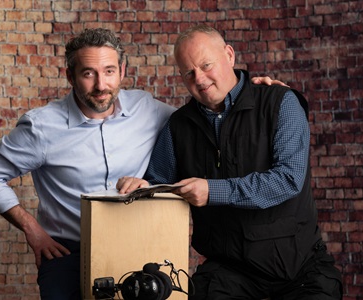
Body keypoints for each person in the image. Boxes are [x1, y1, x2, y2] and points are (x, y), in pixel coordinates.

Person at [0, 27, 284, 300]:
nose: (100, 85)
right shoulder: (41, 127)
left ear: (122, 71)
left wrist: (252, 95)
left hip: (138, 252)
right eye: (88, 73)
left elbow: (203, 118)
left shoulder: (150, 111)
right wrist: (32, 229)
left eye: (108, 71)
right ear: (70, 75)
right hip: (67, 255)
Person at [117, 25, 343, 299]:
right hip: (228, 273)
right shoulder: (178, 126)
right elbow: (160, 185)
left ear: (229, 55)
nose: (199, 79)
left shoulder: (281, 102)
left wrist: (213, 191)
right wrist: (143, 186)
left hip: (301, 271)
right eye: (189, 72)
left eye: (206, 65)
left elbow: (289, 179)